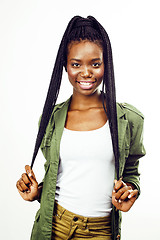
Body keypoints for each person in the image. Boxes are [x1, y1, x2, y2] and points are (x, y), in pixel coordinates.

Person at [16, 16, 146, 240]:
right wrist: (38, 192)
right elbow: (59, 174)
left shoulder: (129, 119)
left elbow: (131, 172)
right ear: (65, 66)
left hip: (101, 231)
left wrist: (131, 190)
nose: (86, 73)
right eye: (76, 64)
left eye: (95, 64)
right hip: (53, 227)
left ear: (106, 64)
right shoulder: (51, 119)